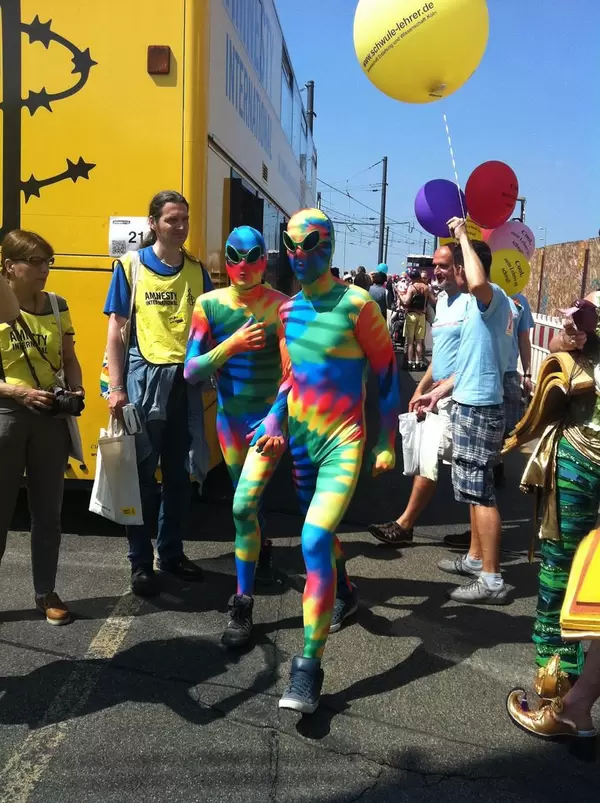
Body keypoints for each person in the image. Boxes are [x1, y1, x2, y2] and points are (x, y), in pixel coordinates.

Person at [274, 208, 400, 713]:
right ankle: (345, 590)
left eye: (310, 243)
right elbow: (291, 379)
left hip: (343, 443)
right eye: (290, 244)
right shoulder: (287, 312)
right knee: (323, 537)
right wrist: (275, 421)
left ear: (328, 246)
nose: (299, 254)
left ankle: (307, 669)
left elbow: (389, 377)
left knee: (313, 539)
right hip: (302, 446)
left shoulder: (358, 305)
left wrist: (387, 439)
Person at [104, 190, 212, 597]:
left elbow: (205, 331)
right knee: (141, 479)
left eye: (184, 219)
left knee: (180, 476)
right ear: (153, 223)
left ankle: (171, 552)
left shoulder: (197, 272)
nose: (180, 226)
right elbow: (116, 331)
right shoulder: (130, 266)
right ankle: (139, 560)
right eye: (171, 220)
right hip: (142, 385)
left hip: (183, 387)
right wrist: (116, 388)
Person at [184, 226, 288, 647]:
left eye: (252, 256)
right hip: (229, 424)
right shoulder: (208, 304)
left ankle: (242, 605)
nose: (242, 266)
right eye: (233, 256)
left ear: (265, 260)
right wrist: (233, 344)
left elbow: (292, 374)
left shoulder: (282, 307)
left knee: (242, 504)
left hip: (265, 424)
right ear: (224, 260)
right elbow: (192, 371)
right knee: (250, 505)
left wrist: (277, 419)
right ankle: (260, 549)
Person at [506, 294, 600, 723]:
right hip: (580, 459)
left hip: (582, 460)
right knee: (563, 572)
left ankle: (567, 705)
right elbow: (569, 354)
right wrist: (571, 337)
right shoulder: (595, 302)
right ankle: (559, 690)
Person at [412, 218, 513, 604]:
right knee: (474, 490)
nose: (448, 272)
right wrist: (438, 393)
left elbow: (474, 281)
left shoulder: (491, 298)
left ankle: (491, 579)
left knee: (481, 493)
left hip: (480, 406)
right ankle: (475, 560)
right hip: (469, 398)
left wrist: (461, 238)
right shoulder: (476, 306)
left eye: (453, 265)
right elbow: (470, 363)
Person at [0, 230, 85, 625]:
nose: (43, 269)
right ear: (9, 267)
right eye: (34, 261)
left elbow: (69, 357)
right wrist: (16, 393)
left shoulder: (57, 305)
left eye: (47, 261)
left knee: (48, 512)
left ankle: (45, 592)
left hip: (50, 418)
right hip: (7, 417)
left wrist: (76, 386)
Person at [368, 244, 469, 545]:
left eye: (444, 265)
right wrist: (423, 387)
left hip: (462, 397)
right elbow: (440, 356)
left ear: (461, 267)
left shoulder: (473, 305)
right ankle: (406, 525)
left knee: (468, 469)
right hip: (440, 394)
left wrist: (441, 389)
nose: (436, 270)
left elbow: (473, 358)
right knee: (432, 458)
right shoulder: (446, 303)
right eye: (435, 265)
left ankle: (478, 539)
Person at [400, 268, 430, 371]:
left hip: (411, 315)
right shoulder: (426, 288)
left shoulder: (411, 287)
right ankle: (418, 363)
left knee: (409, 342)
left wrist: (400, 296)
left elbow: (406, 302)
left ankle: (409, 363)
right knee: (419, 342)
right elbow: (426, 302)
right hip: (422, 315)